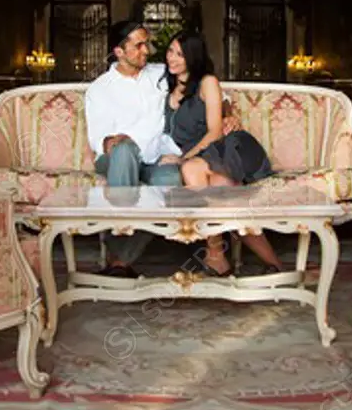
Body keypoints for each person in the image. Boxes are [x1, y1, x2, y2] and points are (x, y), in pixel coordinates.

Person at [84, 20, 239, 277]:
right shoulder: (100, 88)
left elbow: (210, 90)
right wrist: (112, 141)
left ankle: (121, 257)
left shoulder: (160, 74)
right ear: (119, 51)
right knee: (124, 151)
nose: (147, 50)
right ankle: (119, 260)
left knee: (169, 180)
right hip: (118, 158)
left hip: (157, 157)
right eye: (139, 45)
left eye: (148, 44)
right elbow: (98, 139)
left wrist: (228, 114)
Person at [161, 30, 284, 276]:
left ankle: (217, 256)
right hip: (203, 160)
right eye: (170, 51)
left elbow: (216, 131)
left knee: (191, 169)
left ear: (193, 58)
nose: (172, 59)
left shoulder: (207, 82)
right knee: (220, 196)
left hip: (226, 148)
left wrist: (184, 158)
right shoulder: (164, 85)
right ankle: (275, 267)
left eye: (180, 55)